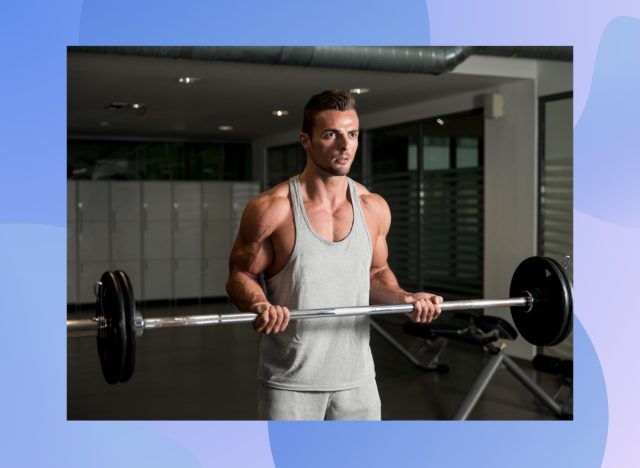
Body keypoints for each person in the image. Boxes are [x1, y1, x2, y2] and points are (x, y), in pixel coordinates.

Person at [226, 89, 443, 420]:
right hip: (290, 382)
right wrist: (260, 304)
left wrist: (407, 298)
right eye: (331, 134)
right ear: (306, 141)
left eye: (352, 134)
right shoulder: (273, 209)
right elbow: (240, 275)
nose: (345, 146)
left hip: (357, 382)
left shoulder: (373, 208)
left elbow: (374, 274)